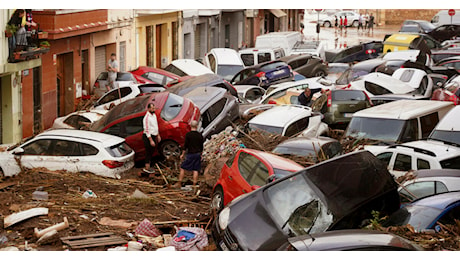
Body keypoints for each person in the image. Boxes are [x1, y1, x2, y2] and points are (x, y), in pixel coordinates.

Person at [175, 120, 204, 190]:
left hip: (190, 154)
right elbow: (201, 146)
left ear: (191, 126)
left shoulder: (188, 135)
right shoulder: (200, 135)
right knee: (195, 169)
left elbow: (185, 146)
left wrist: (182, 154)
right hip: (197, 154)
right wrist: (201, 154)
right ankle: (194, 184)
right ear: (197, 126)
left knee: (183, 168)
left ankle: (179, 183)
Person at [142, 103, 161, 174]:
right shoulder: (147, 118)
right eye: (152, 108)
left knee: (153, 150)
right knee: (148, 151)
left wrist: (158, 135)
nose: (154, 110)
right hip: (148, 137)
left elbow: (156, 126)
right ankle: (147, 166)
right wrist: (150, 140)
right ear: (149, 109)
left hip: (154, 135)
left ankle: (151, 164)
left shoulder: (154, 115)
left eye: (154, 108)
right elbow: (147, 130)